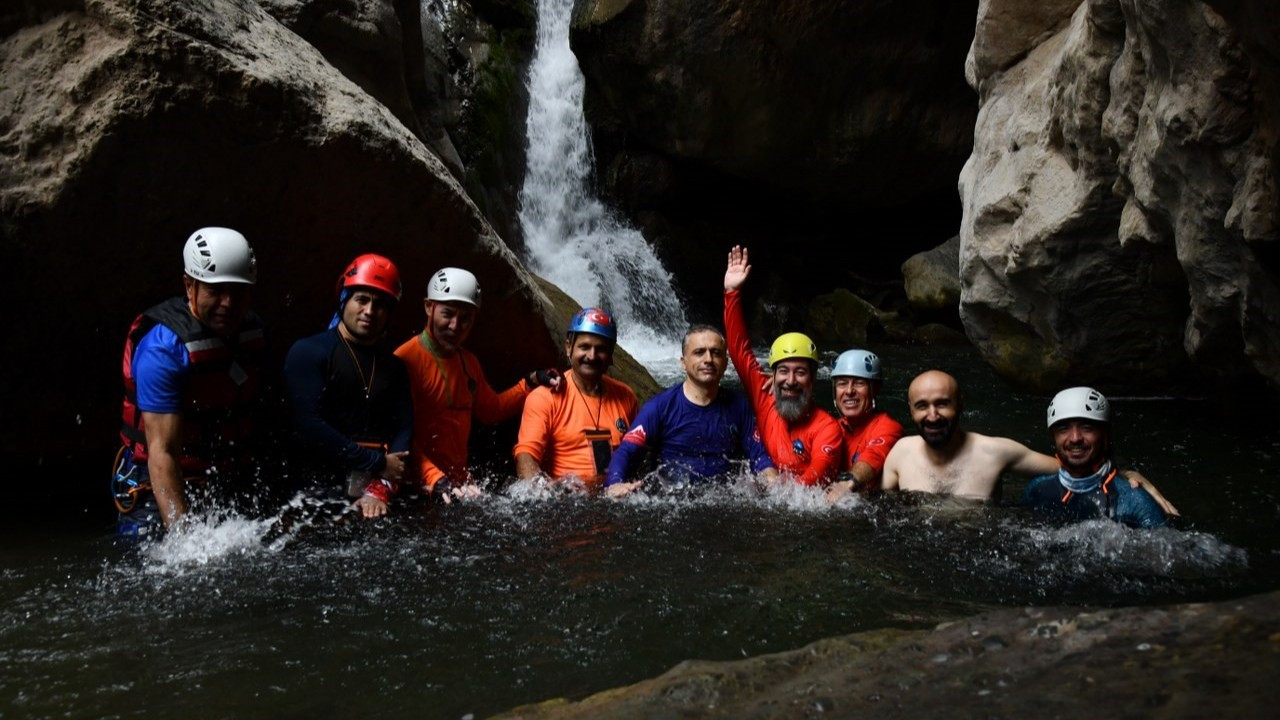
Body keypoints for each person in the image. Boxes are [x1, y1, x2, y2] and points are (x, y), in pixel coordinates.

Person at [115, 227, 265, 533]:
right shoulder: (163, 350)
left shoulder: (252, 332)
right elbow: (163, 453)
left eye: (238, 292)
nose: (228, 303)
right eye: (215, 290)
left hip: (224, 473)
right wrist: (184, 542)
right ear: (189, 286)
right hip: (157, 475)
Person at [881, 370, 1179, 515]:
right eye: (922, 406)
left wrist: (1125, 475)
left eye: (942, 404)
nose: (933, 415)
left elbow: (1076, 465)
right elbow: (881, 512)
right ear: (910, 409)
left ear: (960, 405)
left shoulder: (997, 452)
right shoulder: (899, 454)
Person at [394, 267, 561, 502]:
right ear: (428, 307)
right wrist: (435, 479)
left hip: (458, 487)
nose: (454, 326)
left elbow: (490, 410)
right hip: (419, 489)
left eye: (465, 319)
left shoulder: (468, 361)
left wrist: (530, 382)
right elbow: (396, 434)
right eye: (447, 314)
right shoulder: (406, 360)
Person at [282, 254, 413, 518]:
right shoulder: (310, 352)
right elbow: (308, 426)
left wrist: (380, 489)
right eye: (361, 299)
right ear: (344, 300)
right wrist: (377, 463)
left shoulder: (394, 367)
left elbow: (404, 427)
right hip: (313, 491)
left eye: (379, 305)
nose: (369, 311)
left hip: (372, 492)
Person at [604, 325, 776, 496]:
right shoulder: (660, 406)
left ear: (725, 363)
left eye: (716, 353)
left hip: (723, 499)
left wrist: (772, 480)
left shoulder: (738, 404)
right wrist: (614, 484)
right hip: (673, 501)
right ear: (683, 363)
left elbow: (758, 455)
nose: (708, 359)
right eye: (699, 352)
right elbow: (627, 449)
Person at [722, 246, 843, 486]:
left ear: (813, 378)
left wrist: (779, 494)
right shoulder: (765, 396)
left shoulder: (827, 428)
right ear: (773, 374)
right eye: (784, 371)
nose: (790, 381)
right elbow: (740, 351)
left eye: (800, 372)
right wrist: (732, 292)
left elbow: (815, 477)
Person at [514, 307, 638, 489]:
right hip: (568, 502)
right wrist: (540, 493)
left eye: (601, 349)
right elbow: (526, 455)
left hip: (615, 496)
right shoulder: (544, 398)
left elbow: (638, 453)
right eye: (584, 347)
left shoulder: (626, 396)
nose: (592, 356)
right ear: (568, 348)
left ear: (611, 355)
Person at [1023, 387, 1169, 528]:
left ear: (1105, 435)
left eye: (1087, 428)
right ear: (1053, 437)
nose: (1075, 438)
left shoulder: (1136, 501)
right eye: (1063, 429)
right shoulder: (1036, 489)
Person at [824, 349, 904, 502]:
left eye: (859, 383)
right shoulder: (832, 427)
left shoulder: (888, 427)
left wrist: (847, 483)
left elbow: (874, 454)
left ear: (875, 389)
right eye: (842, 384)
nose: (849, 391)